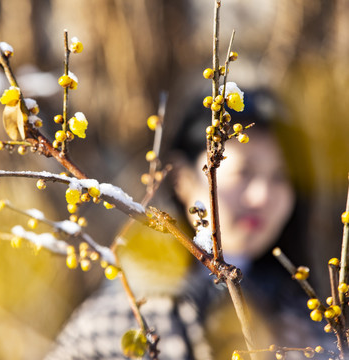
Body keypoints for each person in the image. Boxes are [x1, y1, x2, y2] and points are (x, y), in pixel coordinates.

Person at [44, 89, 330, 360]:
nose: (263, 196)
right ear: (182, 178)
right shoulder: (125, 316)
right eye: (245, 172)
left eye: (280, 177)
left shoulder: (308, 324)